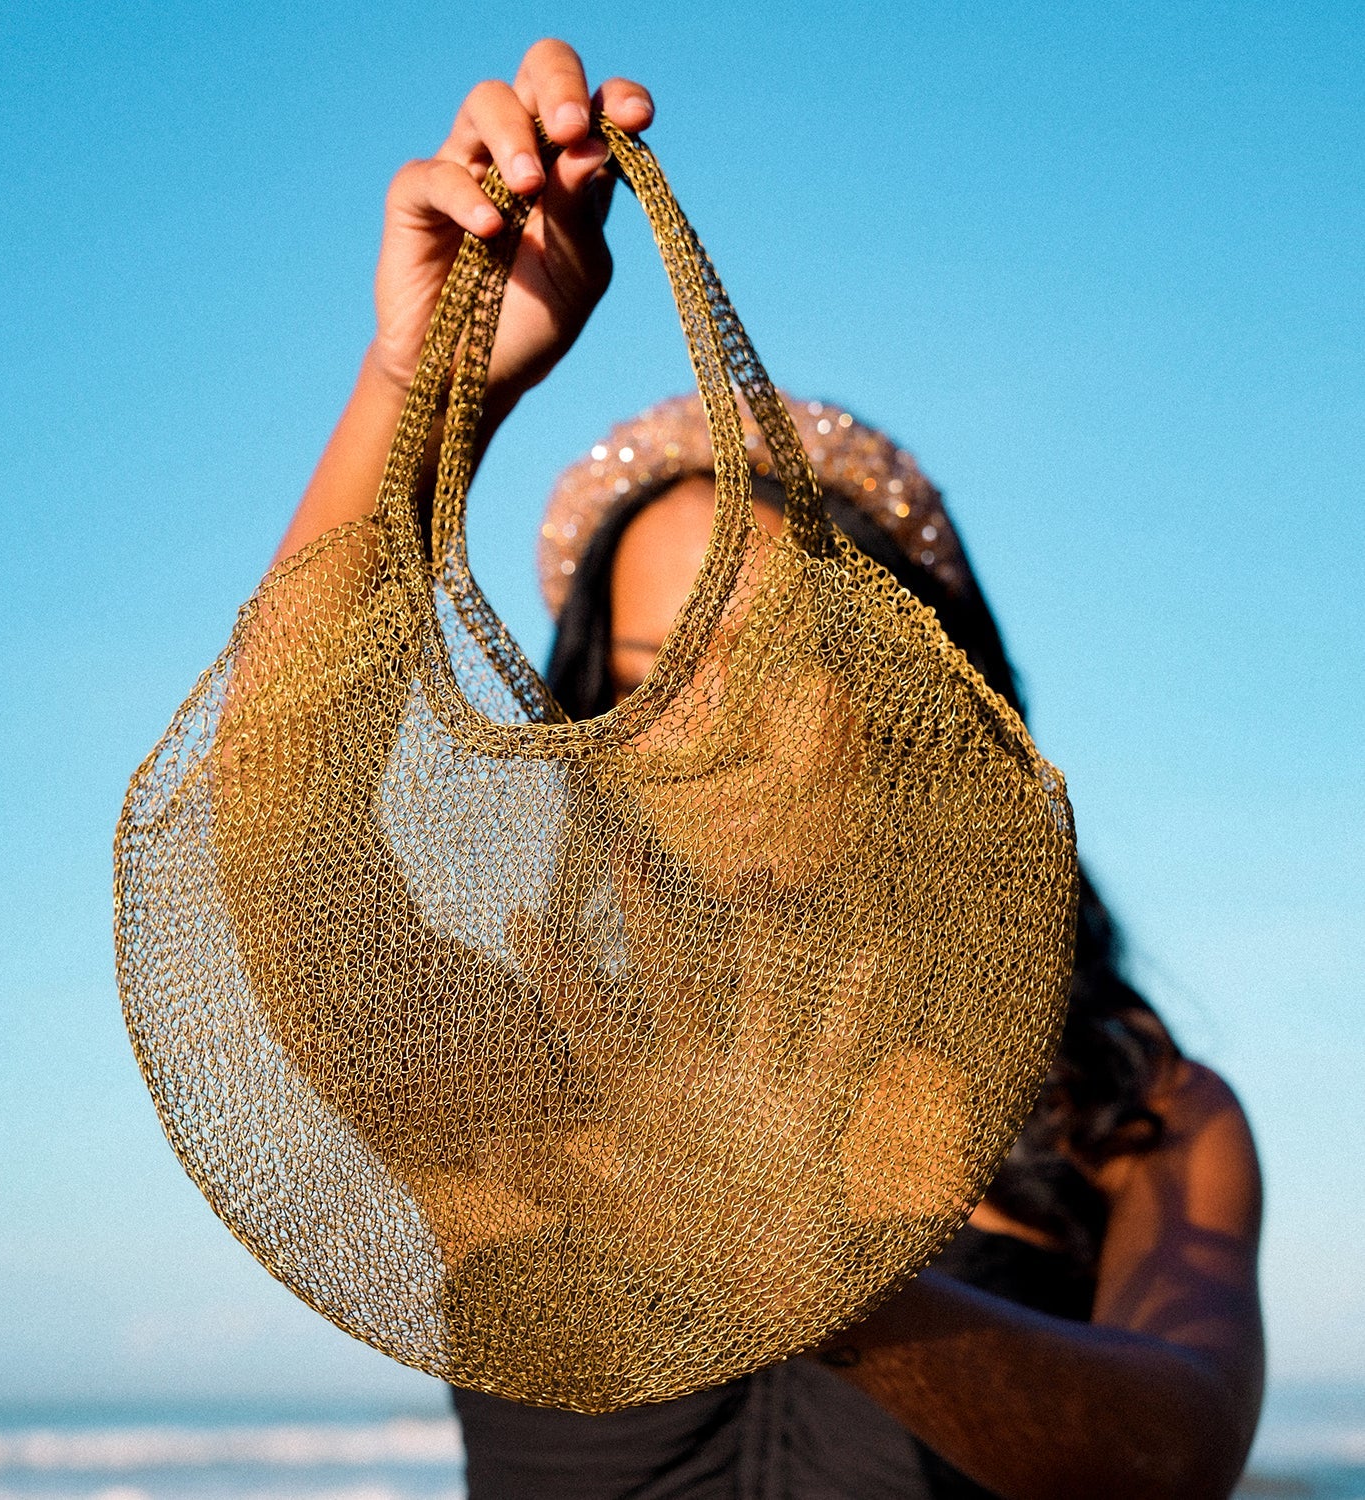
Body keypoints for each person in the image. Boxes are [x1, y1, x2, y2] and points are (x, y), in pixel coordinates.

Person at [267, 38, 1264, 1500]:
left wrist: (810, 1275)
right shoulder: (529, 1066)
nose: (705, 717)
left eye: (777, 653)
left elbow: (1171, 1453)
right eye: (648, 669)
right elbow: (279, 837)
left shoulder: (1143, 1116)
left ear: (930, 691)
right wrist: (420, 390)